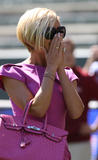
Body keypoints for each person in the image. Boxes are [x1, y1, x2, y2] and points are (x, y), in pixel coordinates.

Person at [0, 8, 84, 159]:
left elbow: (76, 112)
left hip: (57, 152)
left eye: (61, 31)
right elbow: (38, 110)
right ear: (33, 37)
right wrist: (51, 69)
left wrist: (59, 68)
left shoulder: (65, 73)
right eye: (51, 33)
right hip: (26, 152)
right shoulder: (13, 73)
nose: (58, 38)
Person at [64, 38, 98, 160]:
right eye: (63, 50)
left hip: (79, 143)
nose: (68, 54)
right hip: (53, 142)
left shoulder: (84, 79)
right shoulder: (47, 77)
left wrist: (94, 126)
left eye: (71, 51)